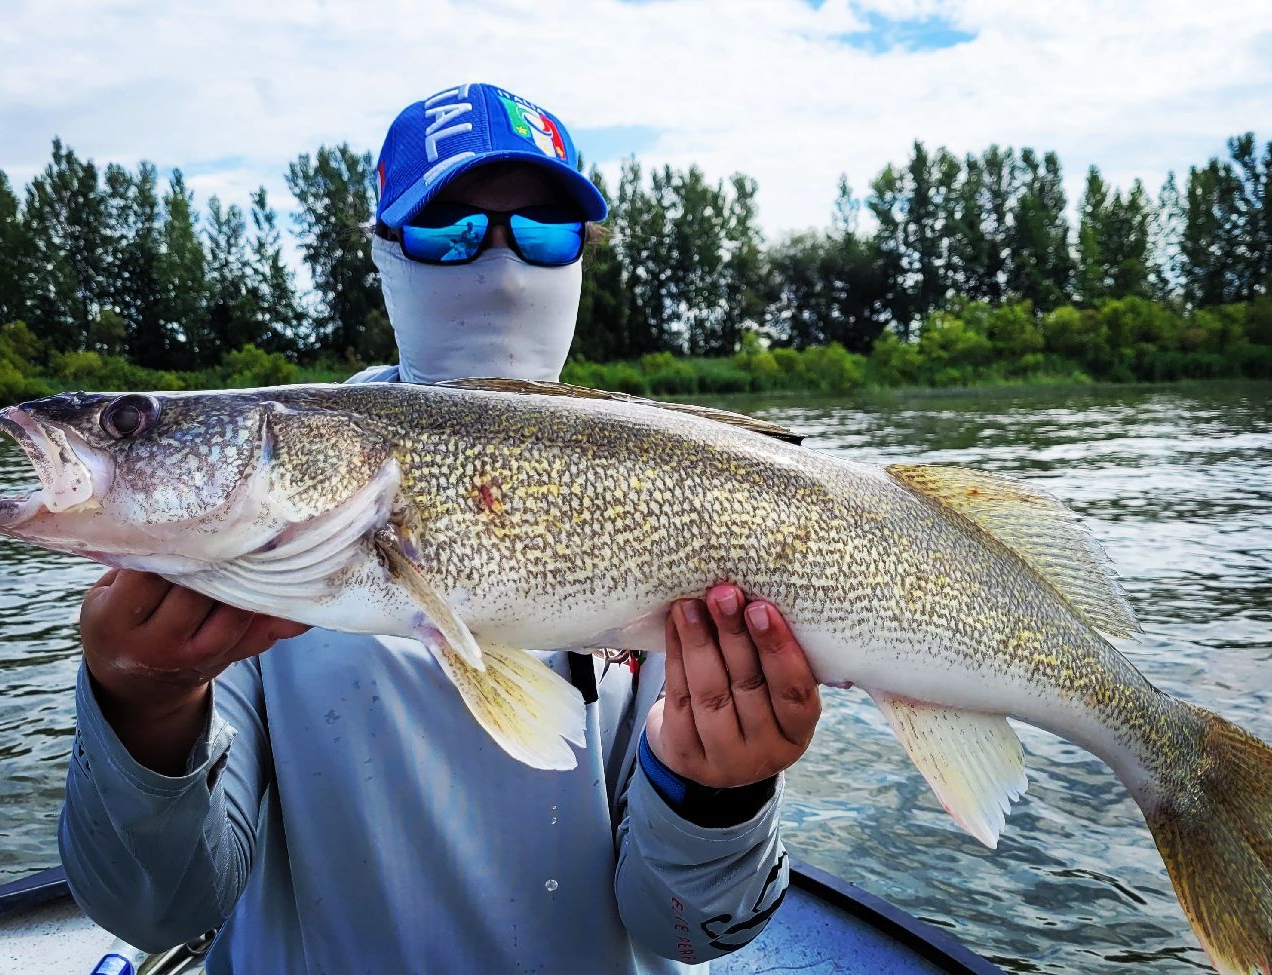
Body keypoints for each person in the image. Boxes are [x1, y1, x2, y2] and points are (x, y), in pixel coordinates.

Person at [60, 82, 823, 974]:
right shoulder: (255, 530)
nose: (500, 267)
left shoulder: (675, 503)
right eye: (449, 228)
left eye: (542, 232)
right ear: (385, 252)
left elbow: (689, 933)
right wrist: (141, 708)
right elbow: (161, 908)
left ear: (581, 258)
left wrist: (715, 796)